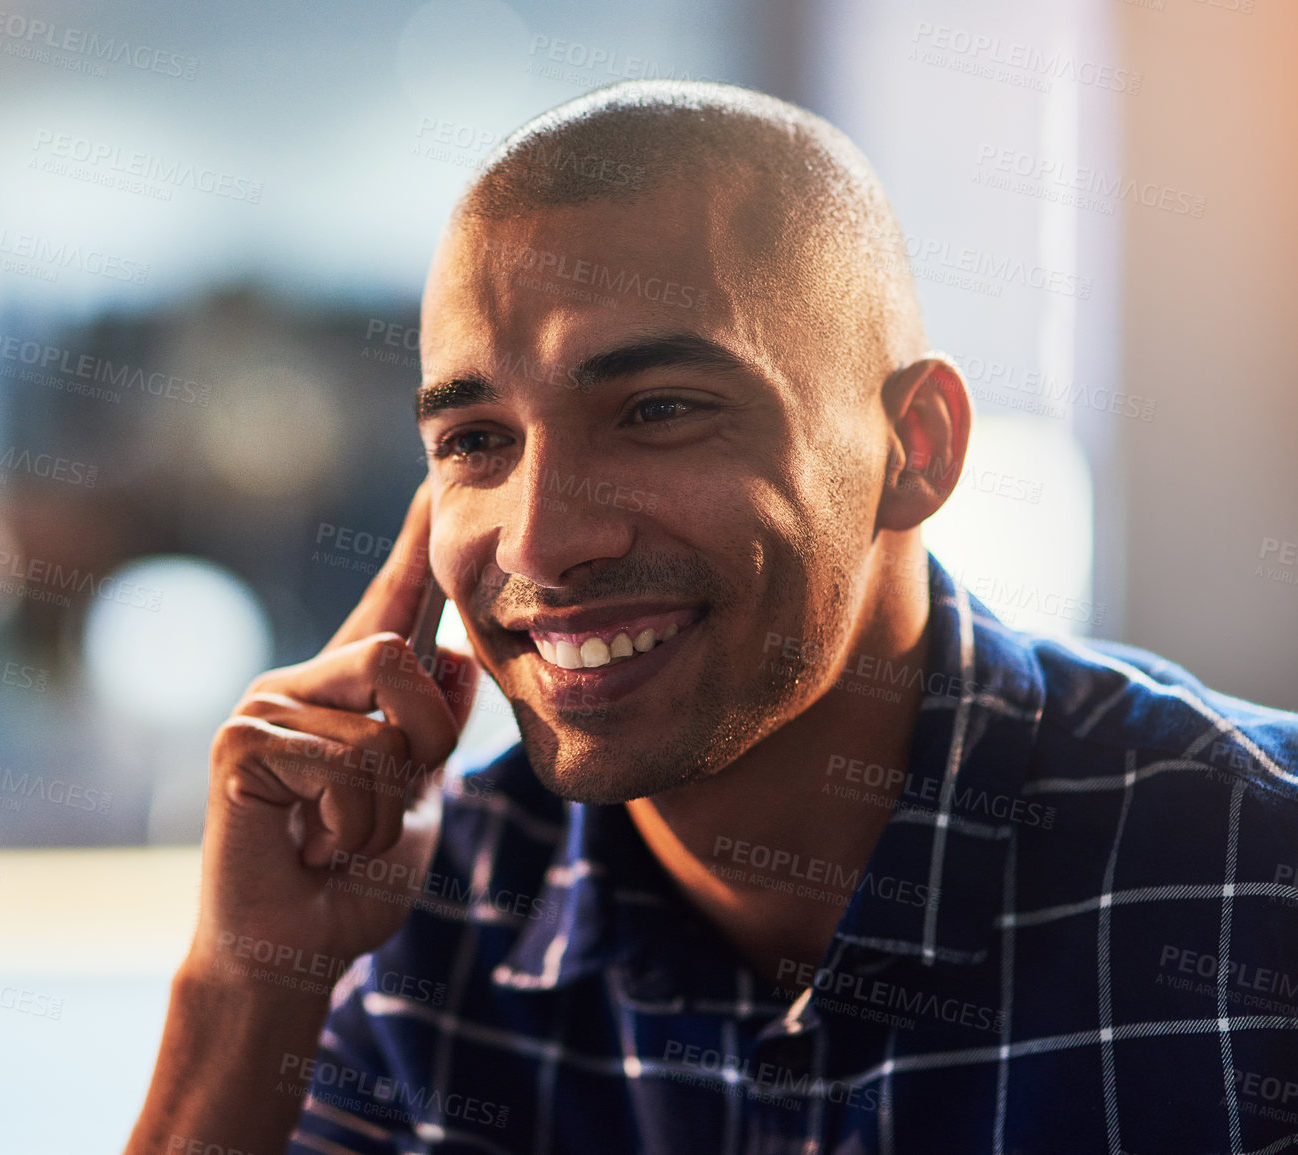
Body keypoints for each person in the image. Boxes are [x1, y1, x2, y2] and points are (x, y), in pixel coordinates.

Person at [126, 81, 1298, 1154]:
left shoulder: (1256, 883)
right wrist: (247, 981)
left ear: (917, 449)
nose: (539, 540)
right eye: (476, 441)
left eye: (659, 411)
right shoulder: (427, 924)